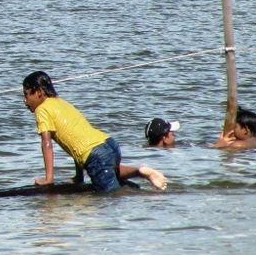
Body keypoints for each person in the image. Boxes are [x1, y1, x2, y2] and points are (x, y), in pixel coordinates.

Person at [21, 71, 167, 192]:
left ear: (39, 92)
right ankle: (140, 172)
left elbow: (47, 144)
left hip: (95, 155)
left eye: (27, 95)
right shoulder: (61, 103)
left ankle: (144, 191)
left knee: (112, 196)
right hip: (109, 144)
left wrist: (49, 179)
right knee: (113, 176)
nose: (25, 101)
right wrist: (79, 177)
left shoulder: (42, 110)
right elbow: (76, 140)